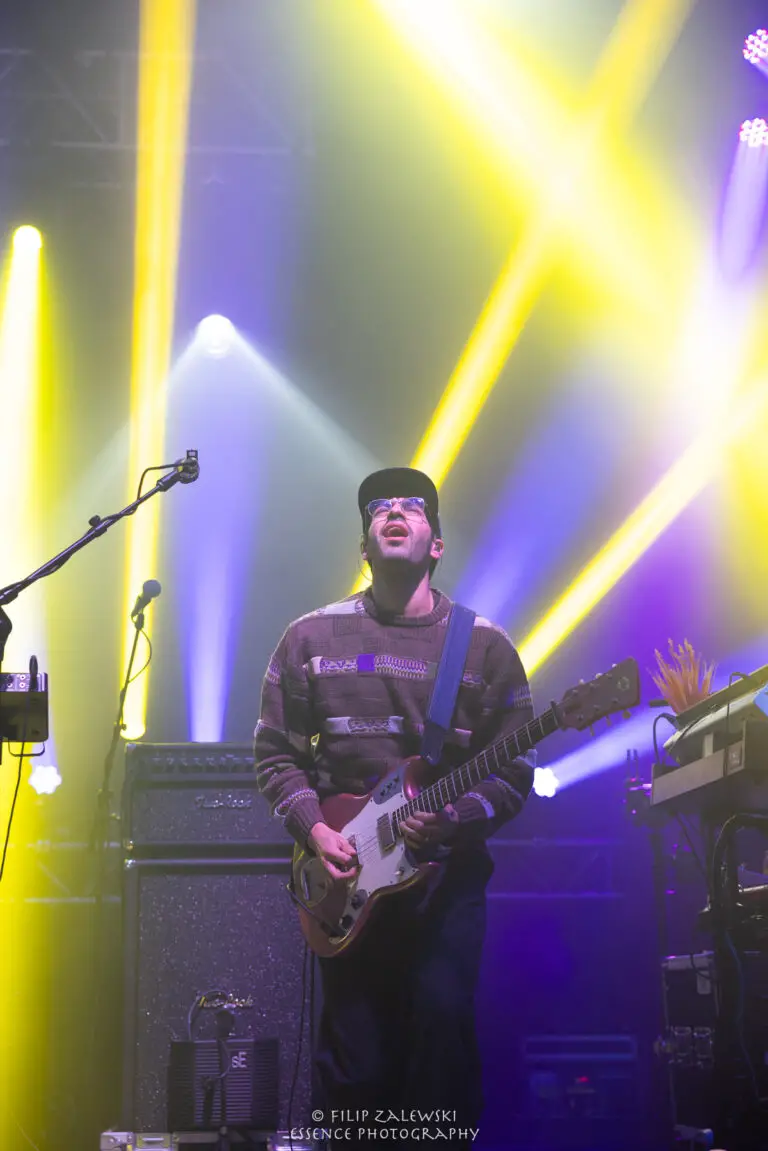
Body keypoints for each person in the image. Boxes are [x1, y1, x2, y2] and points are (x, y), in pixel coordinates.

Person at [254, 467, 535, 1148]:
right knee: (355, 1065)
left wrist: (456, 818)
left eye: (413, 505)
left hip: (444, 886)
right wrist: (315, 829)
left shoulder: (485, 645)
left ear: (435, 544)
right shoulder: (309, 638)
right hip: (348, 883)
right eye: (379, 507)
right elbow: (274, 754)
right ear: (365, 545)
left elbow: (515, 769)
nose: (394, 511)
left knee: (440, 1047)